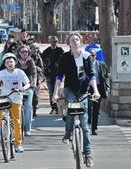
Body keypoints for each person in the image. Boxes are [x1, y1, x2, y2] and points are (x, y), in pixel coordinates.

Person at [52, 32, 100, 168]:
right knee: (72, 109)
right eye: (72, 40)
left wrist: (95, 91)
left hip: (83, 91)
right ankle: (68, 132)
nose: (75, 41)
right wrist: (55, 93)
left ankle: (88, 154)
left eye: (77, 39)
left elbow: (91, 75)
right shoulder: (65, 57)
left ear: (81, 41)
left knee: (85, 125)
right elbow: (59, 76)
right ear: (69, 43)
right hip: (70, 89)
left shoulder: (86, 57)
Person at [0, 53, 30, 153]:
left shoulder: (20, 72)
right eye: (7, 62)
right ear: (4, 64)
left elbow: (27, 83)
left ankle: (18, 144)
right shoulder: (2, 73)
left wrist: (23, 88)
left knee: (17, 122)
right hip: (5, 97)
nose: (9, 64)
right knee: (0, 111)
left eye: (11, 62)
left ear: (15, 62)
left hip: (16, 98)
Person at [87, 48, 110, 135]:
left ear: (95, 55)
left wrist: (107, 88)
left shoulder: (101, 64)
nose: (91, 57)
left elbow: (106, 76)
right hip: (89, 88)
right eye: (89, 55)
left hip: (99, 88)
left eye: (93, 55)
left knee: (96, 109)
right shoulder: (84, 65)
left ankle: (94, 128)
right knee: (89, 108)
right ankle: (88, 125)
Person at [16, 45, 36, 136]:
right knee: (16, 106)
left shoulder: (30, 61)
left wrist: (34, 84)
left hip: (28, 87)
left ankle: (27, 128)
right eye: (22, 51)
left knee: (28, 107)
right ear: (19, 53)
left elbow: (34, 73)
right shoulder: (15, 61)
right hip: (17, 88)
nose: (24, 53)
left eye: (26, 52)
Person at [42, 36, 64, 114]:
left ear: (57, 42)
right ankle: (53, 108)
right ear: (49, 42)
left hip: (58, 74)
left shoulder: (60, 50)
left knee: (58, 91)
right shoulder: (46, 51)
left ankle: (59, 107)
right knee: (51, 92)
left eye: (55, 41)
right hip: (49, 74)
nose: (53, 43)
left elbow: (63, 61)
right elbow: (42, 62)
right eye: (52, 41)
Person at [29, 43, 45, 117]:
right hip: (28, 78)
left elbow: (41, 68)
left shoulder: (38, 57)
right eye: (34, 48)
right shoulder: (27, 57)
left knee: (35, 95)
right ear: (30, 49)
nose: (35, 50)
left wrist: (38, 69)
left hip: (37, 78)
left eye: (37, 48)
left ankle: (34, 110)